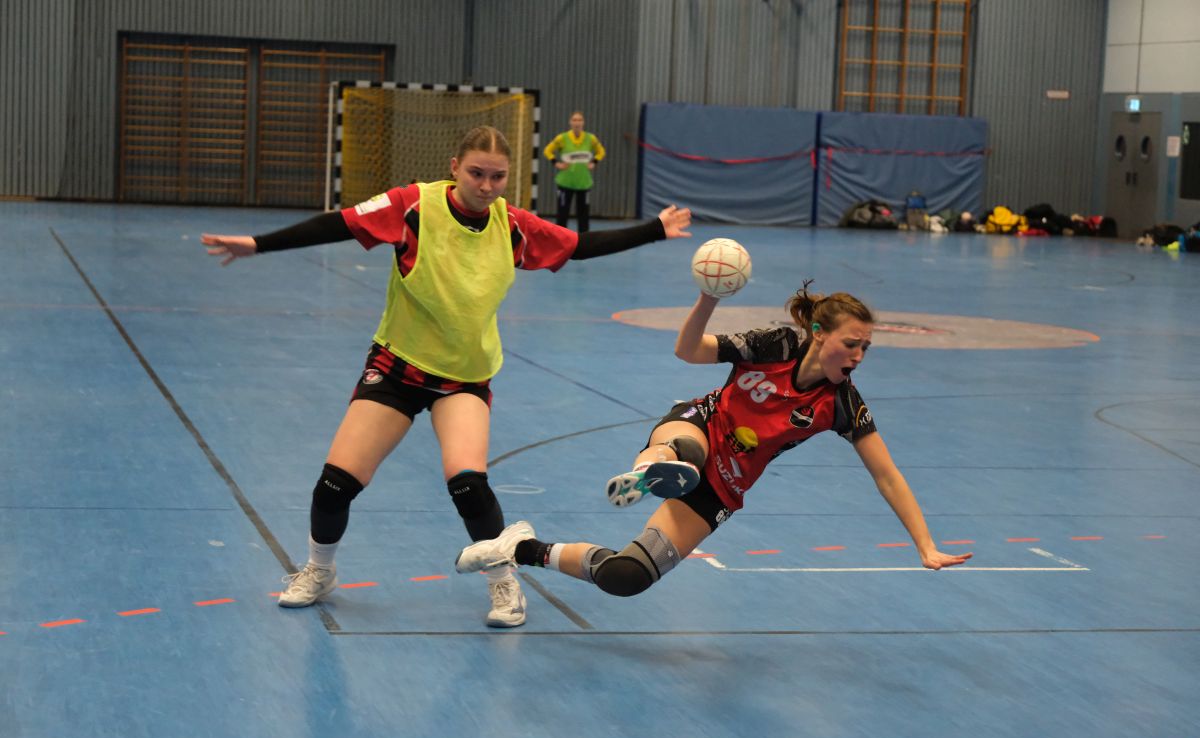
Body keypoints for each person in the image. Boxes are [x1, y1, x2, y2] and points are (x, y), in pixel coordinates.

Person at [200, 125, 692, 627]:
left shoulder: (513, 225)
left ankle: (502, 581)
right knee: (335, 484)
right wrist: (257, 244)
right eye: (477, 173)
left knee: (468, 484)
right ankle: (319, 570)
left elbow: (579, 245)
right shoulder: (413, 206)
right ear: (455, 167)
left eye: (498, 177)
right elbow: (340, 224)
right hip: (397, 368)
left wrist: (654, 229)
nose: (487, 185)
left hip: (464, 379)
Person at [455, 282, 973, 596]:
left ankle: (520, 546)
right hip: (701, 424)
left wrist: (925, 545)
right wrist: (707, 298)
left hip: (726, 486)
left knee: (626, 577)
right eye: (851, 344)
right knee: (686, 452)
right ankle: (651, 470)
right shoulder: (776, 345)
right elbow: (688, 351)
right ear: (819, 333)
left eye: (865, 348)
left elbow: (887, 475)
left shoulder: (841, 404)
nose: (858, 356)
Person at [543, 111, 605, 232]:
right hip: (565, 182)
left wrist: (594, 162)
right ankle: (561, 238)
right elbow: (547, 150)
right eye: (574, 120)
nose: (577, 123)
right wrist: (556, 163)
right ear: (570, 122)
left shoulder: (590, 138)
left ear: (583, 122)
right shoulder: (562, 138)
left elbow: (601, 151)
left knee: (583, 214)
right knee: (562, 214)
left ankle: (584, 239)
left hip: (583, 182)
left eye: (579, 120)